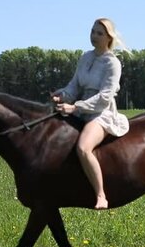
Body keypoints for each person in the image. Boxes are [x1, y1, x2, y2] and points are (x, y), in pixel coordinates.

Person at [52, 18, 130, 210]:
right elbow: (74, 86)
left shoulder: (113, 63)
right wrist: (62, 96)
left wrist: (75, 107)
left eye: (99, 33)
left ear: (108, 38)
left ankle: (101, 195)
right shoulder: (85, 57)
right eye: (93, 31)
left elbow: (104, 97)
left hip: (100, 114)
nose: (94, 36)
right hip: (80, 110)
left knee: (83, 148)